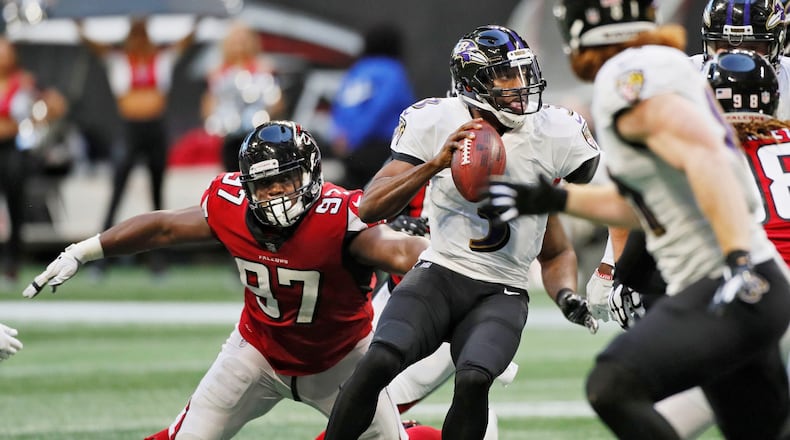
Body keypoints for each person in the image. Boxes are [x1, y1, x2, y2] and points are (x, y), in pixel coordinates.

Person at [485, 1, 790, 438]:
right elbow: (646, 203)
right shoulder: (662, 67)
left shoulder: (628, 77)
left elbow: (705, 157)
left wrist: (738, 258)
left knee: (612, 385)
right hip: (749, 284)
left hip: (729, 282)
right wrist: (555, 198)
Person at [22, 121, 430, 440]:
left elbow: (400, 252)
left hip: (341, 361)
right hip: (257, 353)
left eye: (283, 181)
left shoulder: (339, 217)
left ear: (309, 176)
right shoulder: (229, 204)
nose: (272, 195)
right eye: (263, 185)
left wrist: (449, 260)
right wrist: (85, 249)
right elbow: (163, 228)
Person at [323, 24, 601, 440]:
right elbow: (368, 205)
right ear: (473, 85)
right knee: (378, 361)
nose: (519, 86)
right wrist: (435, 164)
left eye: (522, 73)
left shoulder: (553, 134)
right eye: (505, 76)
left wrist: (566, 295)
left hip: (501, 289)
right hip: (440, 270)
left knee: (473, 380)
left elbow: (555, 246)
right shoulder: (436, 120)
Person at [77, 17, 196, 275]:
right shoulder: (119, 60)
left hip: (155, 129)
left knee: (158, 198)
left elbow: (185, 42)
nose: (140, 40)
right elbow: (95, 47)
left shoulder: (161, 59)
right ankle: (99, 261)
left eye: (144, 33)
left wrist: (197, 17)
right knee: (116, 193)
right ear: (129, 37)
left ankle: (159, 263)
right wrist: (78, 24)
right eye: (135, 34)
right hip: (131, 130)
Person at [329, 23, 416, 189]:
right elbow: (380, 110)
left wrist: (340, 138)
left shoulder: (357, 70)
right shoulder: (393, 71)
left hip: (348, 149)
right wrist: (356, 137)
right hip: (380, 149)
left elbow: (339, 106)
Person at [202, 20, 286, 172]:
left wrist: (262, 117)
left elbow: (277, 101)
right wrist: (218, 123)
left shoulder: (264, 68)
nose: (239, 45)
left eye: (243, 40)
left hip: (258, 137)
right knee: (233, 177)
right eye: (235, 40)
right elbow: (209, 105)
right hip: (229, 139)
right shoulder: (217, 72)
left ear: (252, 42)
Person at [0, 37, 39, 284]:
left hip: (11, 148)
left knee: (15, 207)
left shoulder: (22, 82)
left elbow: (37, 110)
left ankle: (13, 261)